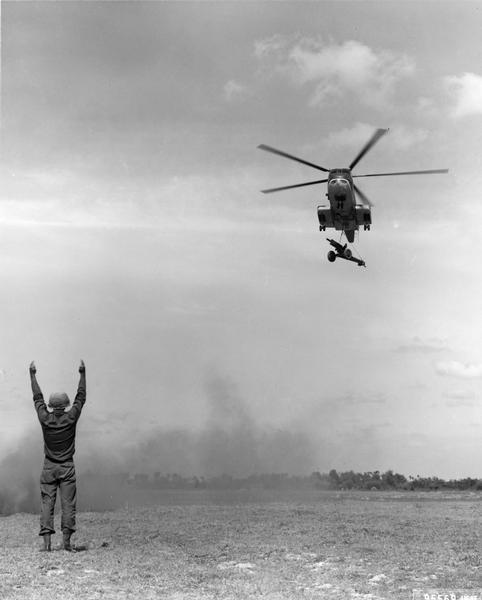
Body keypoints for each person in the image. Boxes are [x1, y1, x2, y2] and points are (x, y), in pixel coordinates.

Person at [29, 360, 86, 552]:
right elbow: (81, 397)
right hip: (67, 466)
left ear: (52, 406)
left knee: (47, 503)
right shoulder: (71, 418)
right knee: (68, 504)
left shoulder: (45, 418)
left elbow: (37, 397)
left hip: (49, 466)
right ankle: (67, 544)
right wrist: (82, 374)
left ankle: (47, 545)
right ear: (66, 405)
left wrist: (33, 375)